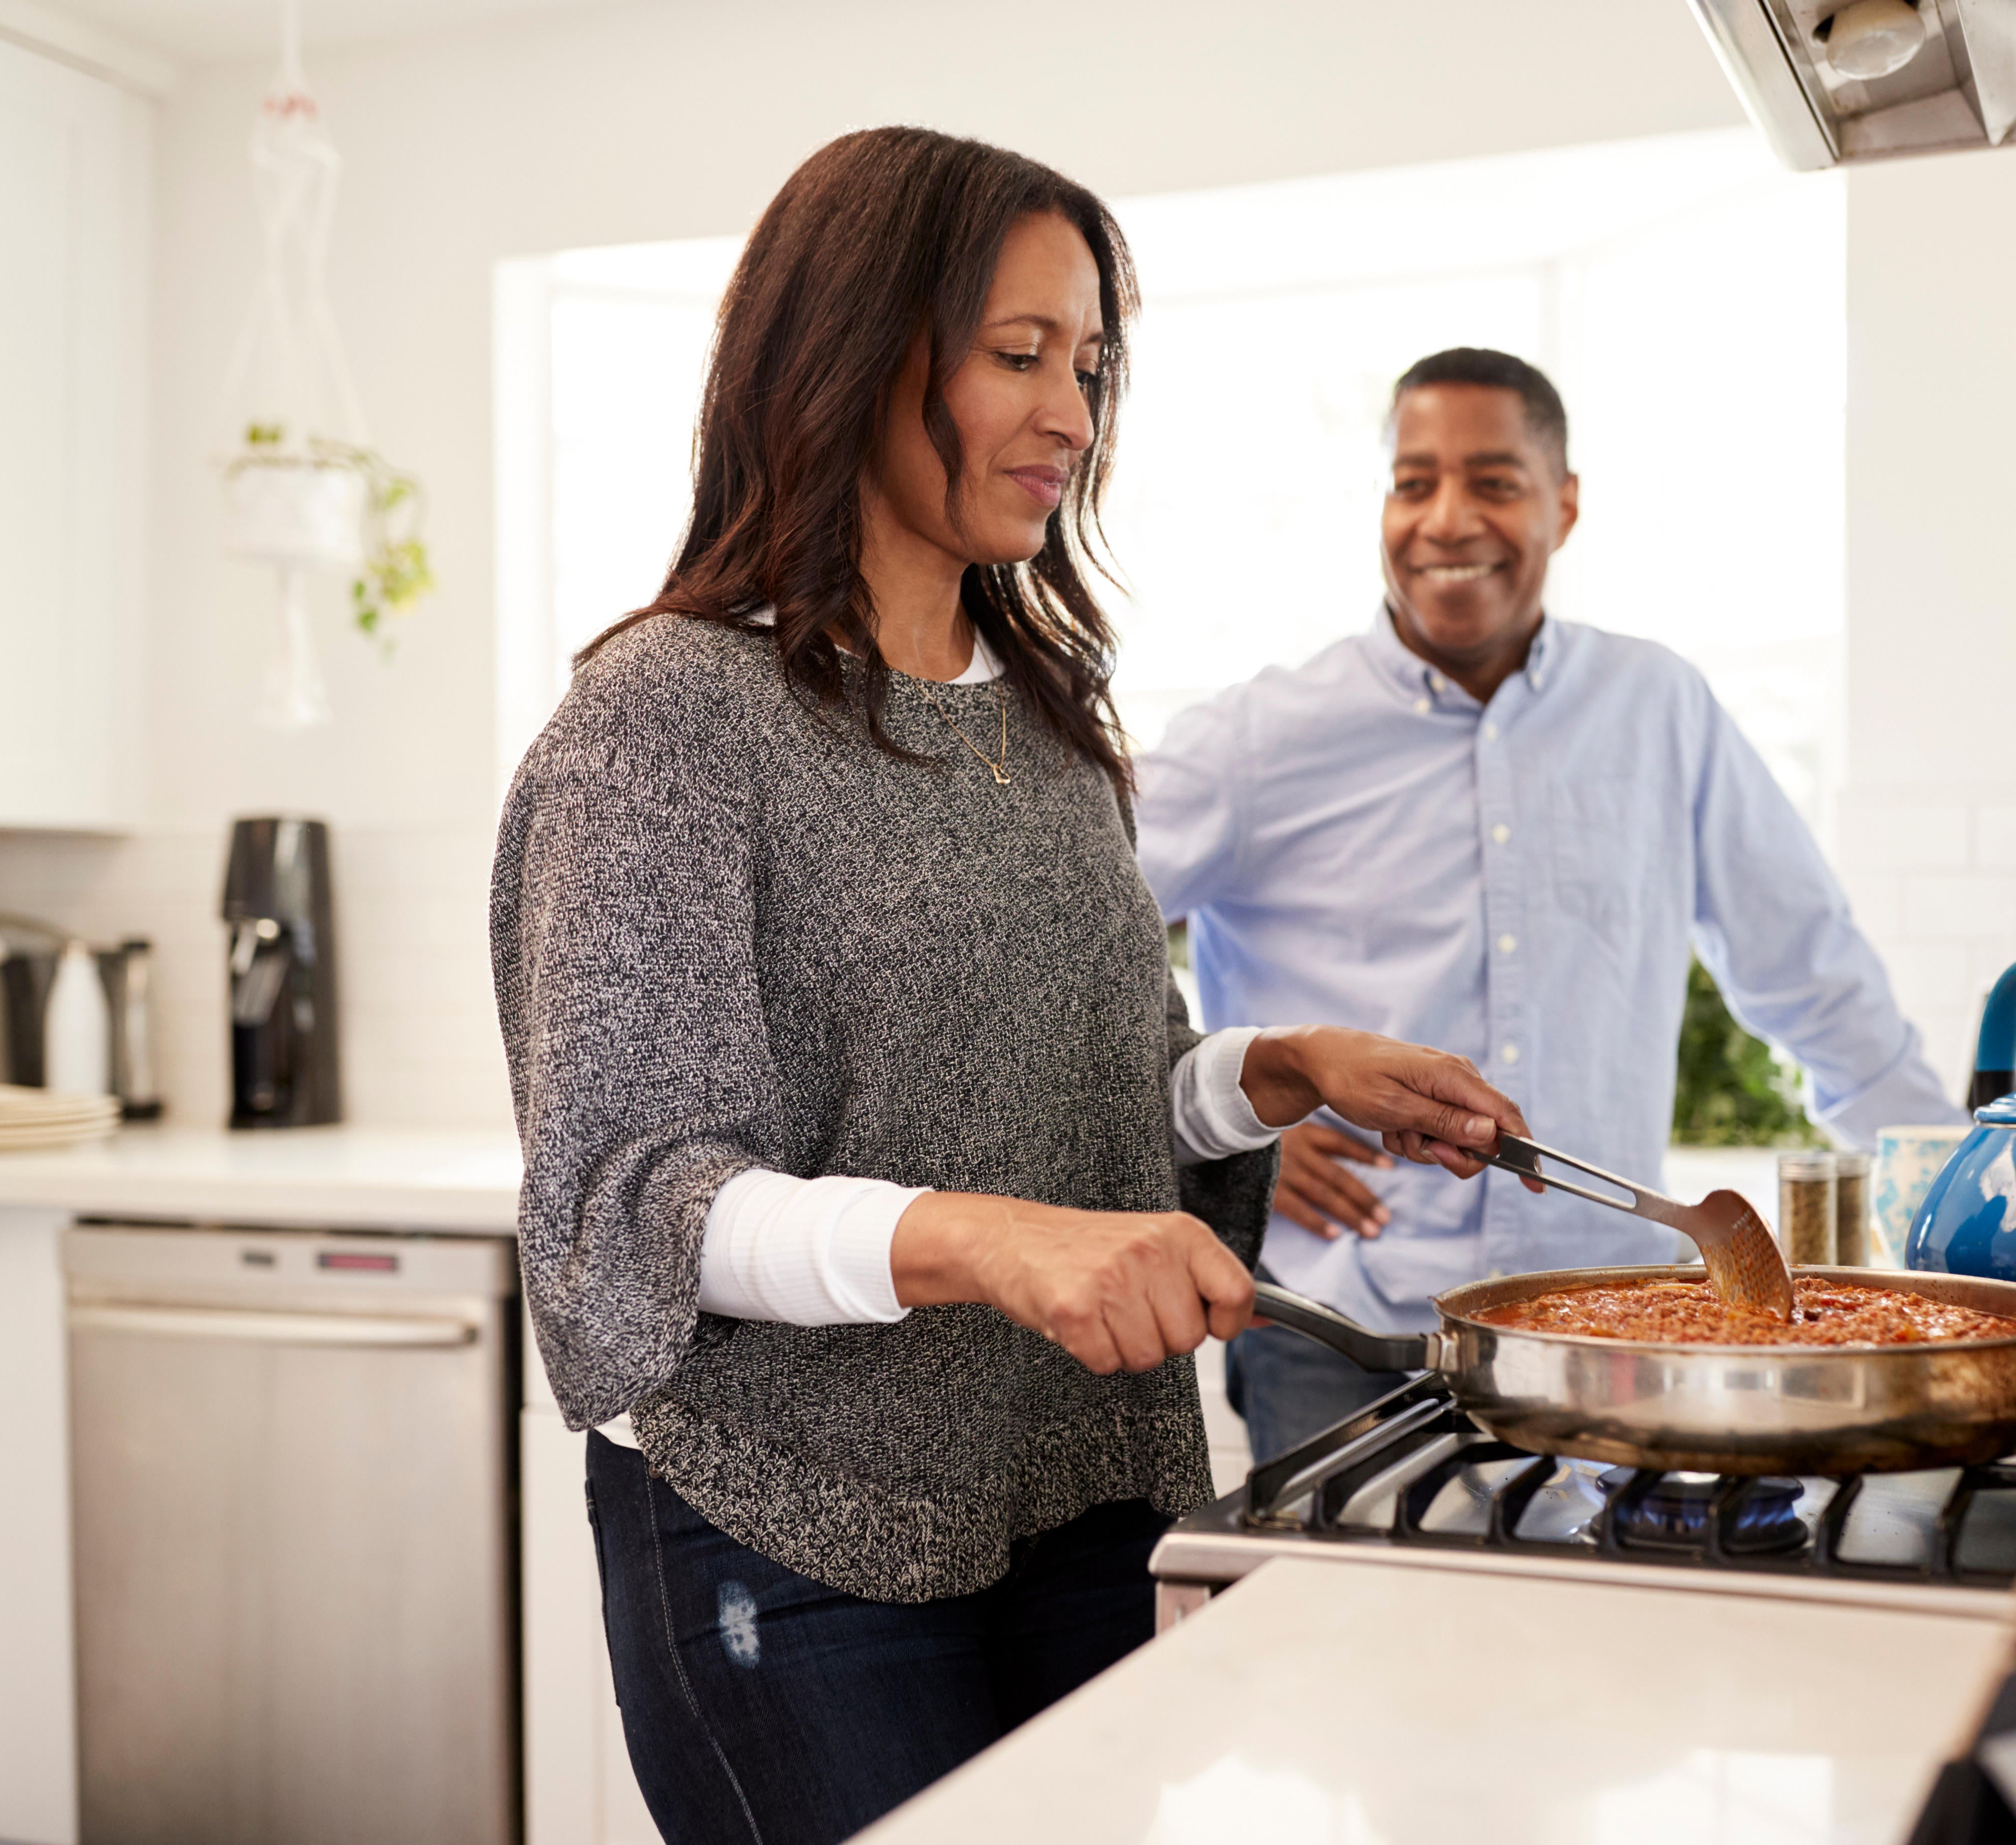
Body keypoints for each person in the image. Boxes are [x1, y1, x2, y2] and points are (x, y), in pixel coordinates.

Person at [490, 133, 1529, 1844]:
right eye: (1018, 353)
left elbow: (1085, 1091)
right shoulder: (667, 718)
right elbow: (636, 1199)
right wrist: (992, 1239)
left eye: (1093, 366)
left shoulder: (1048, 717)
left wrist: (1271, 1069)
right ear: (849, 349)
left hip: (1080, 1496)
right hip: (799, 1541)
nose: (1072, 414)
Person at [1135, 346, 1965, 1463]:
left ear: (1562, 504)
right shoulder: (1260, 741)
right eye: (1414, 481)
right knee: (1347, 1640)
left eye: (1494, 480)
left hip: (1614, 1327)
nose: (1447, 520)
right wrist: (1217, 1137)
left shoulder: (1659, 709)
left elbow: (1811, 973)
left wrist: (1963, 1221)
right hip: (1349, 1340)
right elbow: (1061, 935)